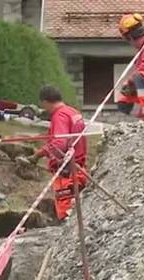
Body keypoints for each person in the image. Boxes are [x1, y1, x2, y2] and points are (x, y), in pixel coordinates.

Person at [33, 85, 88, 220]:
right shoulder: (73, 112)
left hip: (66, 172)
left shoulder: (59, 116)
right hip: (79, 168)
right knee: (78, 212)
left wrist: (37, 155)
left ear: (45, 101)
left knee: (67, 214)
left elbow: (59, 143)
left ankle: (72, 239)